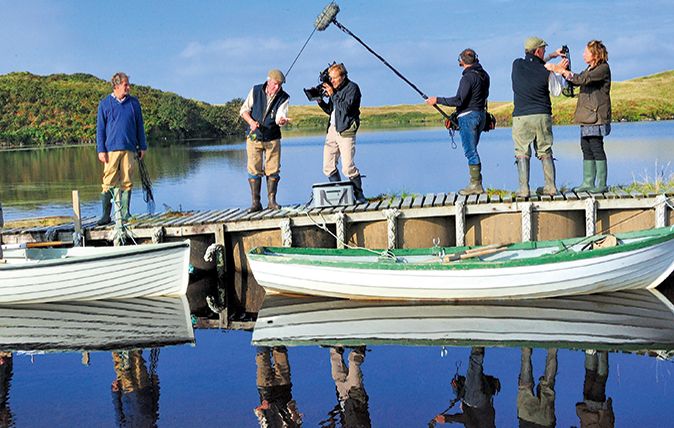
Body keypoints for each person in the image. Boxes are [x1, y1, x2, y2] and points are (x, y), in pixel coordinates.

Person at [426, 48, 490, 195]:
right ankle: (476, 184)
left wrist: (437, 100)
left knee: (470, 151)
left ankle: (476, 185)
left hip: (468, 117)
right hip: (481, 116)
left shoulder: (467, 78)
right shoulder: (485, 75)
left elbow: (459, 100)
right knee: (473, 149)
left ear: (461, 61)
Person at [511, 37, 568, 197]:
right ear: (537, 51)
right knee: (545, 150)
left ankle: (523, 189)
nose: (544, 51)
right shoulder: (546, 70)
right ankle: (550, 187)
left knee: (521, 152)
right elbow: (556, 92)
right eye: (543, 49)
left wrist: (552, 56)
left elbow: (535, 62)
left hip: (521, 116)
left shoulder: (516, 65)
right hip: (542, 114)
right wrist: (558, 71)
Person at [554, 40, 611, 193]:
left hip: (596, 115)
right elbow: (577, 79)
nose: (583, 54)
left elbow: (581, 79)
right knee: (585, 147)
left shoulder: (603, 68)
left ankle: (601, 184)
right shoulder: (590, 68)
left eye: (586, 52)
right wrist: (566, 73)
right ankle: (588, 182)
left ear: (595, 54)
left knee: (596, 147)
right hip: (587, 116)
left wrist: (561, 71)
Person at [96, 72, 147, 225]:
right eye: (126, 85)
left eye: (128, 85)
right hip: (111, 149)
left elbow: (140, 126)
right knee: (109, 180)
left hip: (130, 148)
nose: (128, 87)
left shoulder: (134, 103)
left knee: (127, 180)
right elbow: (100, 129)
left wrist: (142, 145)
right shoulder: (104, 104)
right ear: (117, 86)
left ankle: (125, 213)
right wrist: (101, 150)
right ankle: (106, 215)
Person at [240, 69, 290, 212]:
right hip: (254, 137)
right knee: (254, 169)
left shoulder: (284, 97)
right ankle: (256, 203)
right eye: (275, 84)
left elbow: (280, 115)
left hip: (272, 138)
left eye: (280, 85)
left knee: (273, 169)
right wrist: (251, 122)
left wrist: (281, 120)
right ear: (268, 81)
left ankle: (272, 201)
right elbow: (244, 110)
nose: (277, 88)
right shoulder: (256, 90)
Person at [316, 63, 367, 204]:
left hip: (346, 129)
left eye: (334, 78)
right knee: (328, 166)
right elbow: (331, 111)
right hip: (333, 128)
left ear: (343, 76)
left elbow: (345, 108)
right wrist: (320, 101)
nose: (331, 81)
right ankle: (339, 192)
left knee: (348, 167)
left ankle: (359, 195)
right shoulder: (335, 89)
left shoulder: (353, 88)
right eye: (330, 79)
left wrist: (333, 94)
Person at [434, 347, 499, 427]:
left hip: (484, 400)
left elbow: (470, 418)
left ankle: (478, 350)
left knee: (474, 374)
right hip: (476, 401)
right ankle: (477, 349)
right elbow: (467, 419)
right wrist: (446, 418)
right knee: (474, 368)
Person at [321, 346, 371, 427]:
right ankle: (358, 350)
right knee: (354, 364)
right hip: (355, 396)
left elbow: (343, 419)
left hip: (343, 397)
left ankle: (336, 349)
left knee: (337, 374)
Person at [253, 346, 302, 427]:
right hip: (282, 390)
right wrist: (293, 412)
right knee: (280, 362)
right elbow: (296, 416)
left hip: (267, 393)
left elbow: (260, 416)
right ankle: (277, 341)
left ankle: (262, 341)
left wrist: (262, 408)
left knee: (263, 361)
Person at [517, 348, 558, 428]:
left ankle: (552, 351)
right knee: (525, 386)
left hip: (545, 422)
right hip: (525, 418)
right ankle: (526, 351)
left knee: (548, 385)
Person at [576, 350, 614, 427]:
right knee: (589, 375)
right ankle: (590, 353)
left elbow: (609, 420)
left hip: (597, 405)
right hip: (587, 403)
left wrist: (608, 406)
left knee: (600, 379)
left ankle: (602, 353)